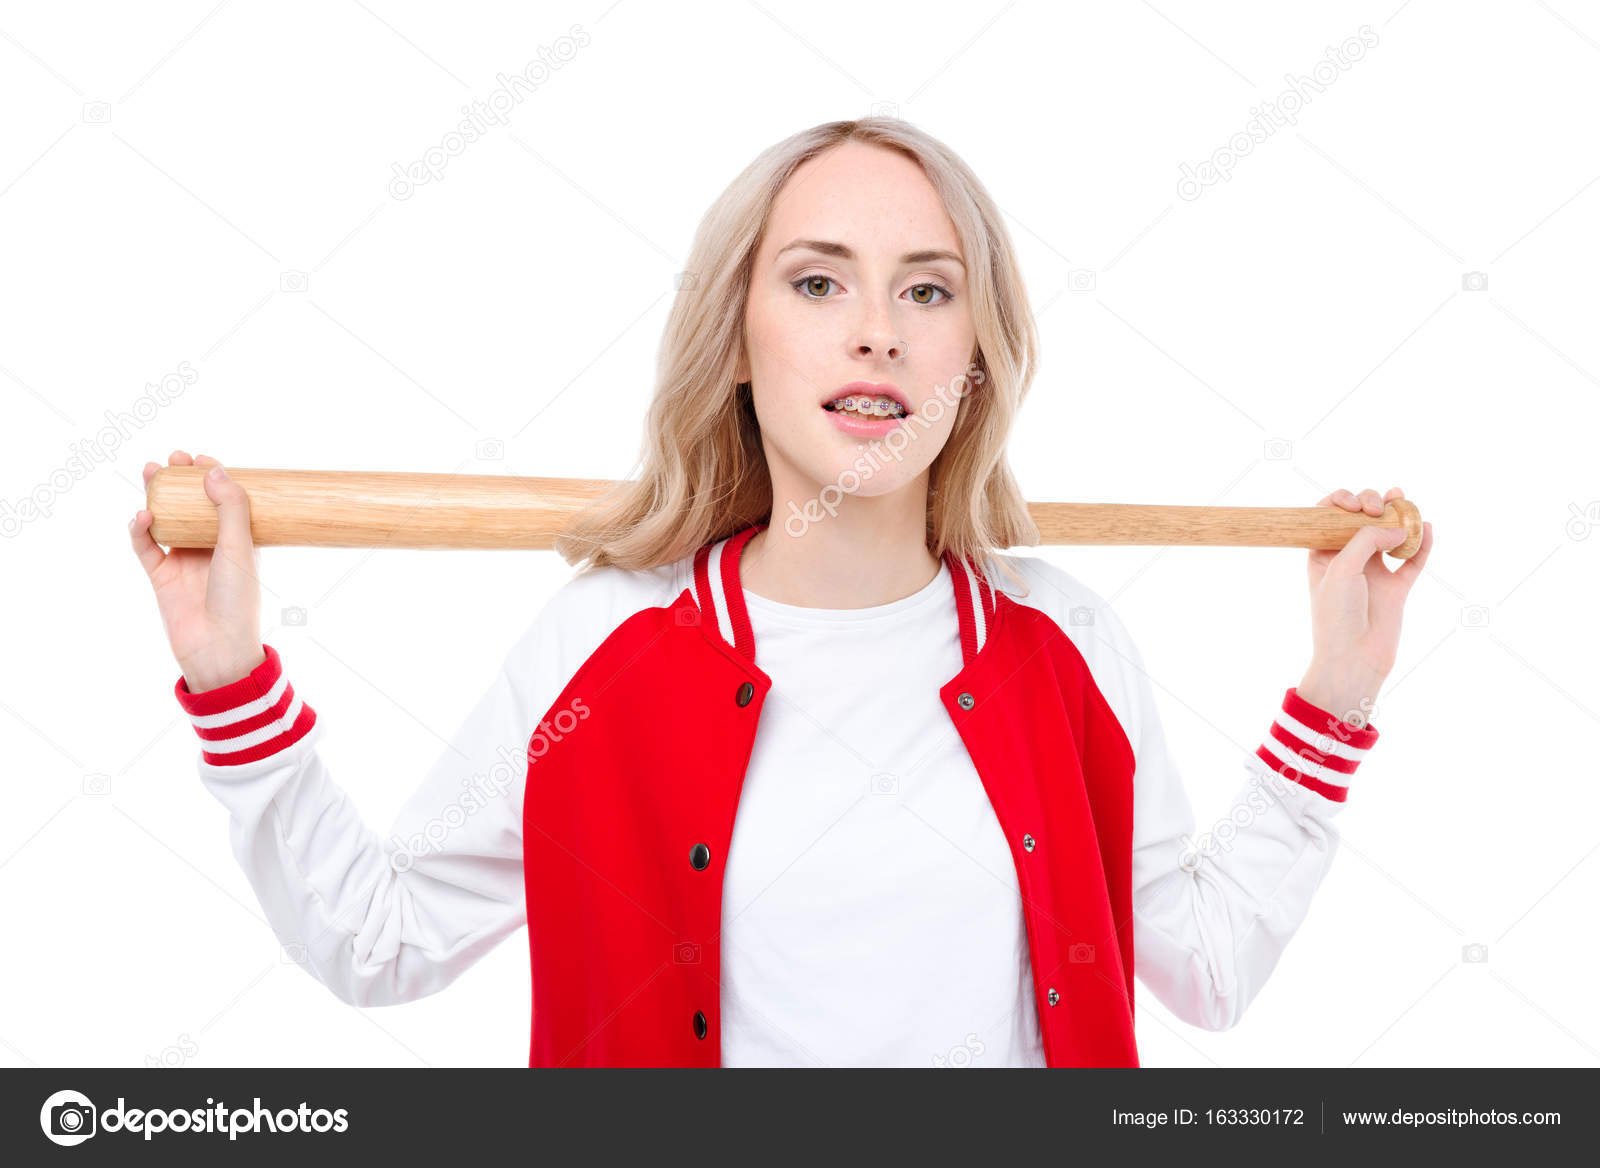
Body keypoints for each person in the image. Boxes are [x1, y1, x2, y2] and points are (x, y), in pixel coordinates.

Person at [129, 117, 1433, 1067]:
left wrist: (1338, 694)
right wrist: (231, 681)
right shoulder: (607, 642)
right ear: (741, 341)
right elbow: (383, 944)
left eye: (928, 291)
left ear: (973, 361)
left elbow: (1205, 969)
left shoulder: (1065, 640)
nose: (879, 330)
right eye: (818, 282)